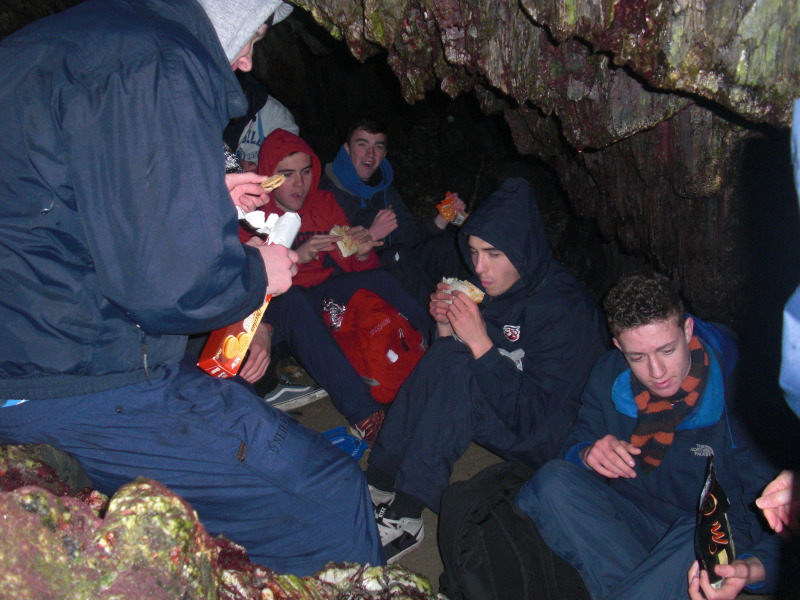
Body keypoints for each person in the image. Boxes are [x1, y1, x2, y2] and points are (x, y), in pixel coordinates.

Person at [0, 0, 383, 576]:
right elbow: (170, 286)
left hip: (30, 340)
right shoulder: (154, 58)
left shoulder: (68, 42)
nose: (249, 60)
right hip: (74, 374)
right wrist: (260, 275)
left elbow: (58, 205)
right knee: (329, 492)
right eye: (250, 35)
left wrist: (202, 193)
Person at [364, 177, 609, 562]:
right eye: (475, 252)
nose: (481, 268)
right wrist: (446, 326)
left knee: (462, 369)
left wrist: (479, 342)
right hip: (504, 403)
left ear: (523, 251)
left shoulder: (567, 311)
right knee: (449, 358)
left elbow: (531, 416)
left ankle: (408, 513)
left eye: (494, 254)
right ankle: (379, 479)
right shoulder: (497, 287)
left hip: (553, 436)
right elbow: (450, 367)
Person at [514, 271, 781, 599]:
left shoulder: (742, 395)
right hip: (636, 517)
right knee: (551, 481)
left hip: (708, 532)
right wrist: (586, 454)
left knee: (698, 534)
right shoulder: (608, 374)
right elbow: (574, 445)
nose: (656, 372)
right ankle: (647, 585)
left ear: (687, 330)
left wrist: (752, 567)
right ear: (618, 347)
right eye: (637, 357)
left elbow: (780, 517)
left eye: (667, 350)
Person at [243, 128, 433, 444]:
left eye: (305, 172)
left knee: (381, 277)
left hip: (326, 297)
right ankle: (363, 414)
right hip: (279, 310)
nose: (299, 184)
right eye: (286, 174)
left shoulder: (323, 202)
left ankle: (441, 344)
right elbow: (243, 282)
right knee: (294, 298)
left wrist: (361, 253)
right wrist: (296, 257)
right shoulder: (252, 213)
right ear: (268, 177)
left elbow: (356, 269)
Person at [319, 117, 471, 305]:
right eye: (362, 145)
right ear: (347, 149)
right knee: (399, 256)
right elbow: (327, 260)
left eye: (378, 147)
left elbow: (410, 238)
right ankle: (434, 324)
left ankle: (474, 306)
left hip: (401, 265)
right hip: (359, 277)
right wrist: (371, 234)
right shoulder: (326, 194)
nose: (370, 155)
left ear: (384, 154)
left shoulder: (385, 190)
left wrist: (441, 219)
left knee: (448, 246)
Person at [224, 71, 299, 173]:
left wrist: (260, 170)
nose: (232, 104)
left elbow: (292, 160)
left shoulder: (273, 113)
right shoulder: (202, 119)